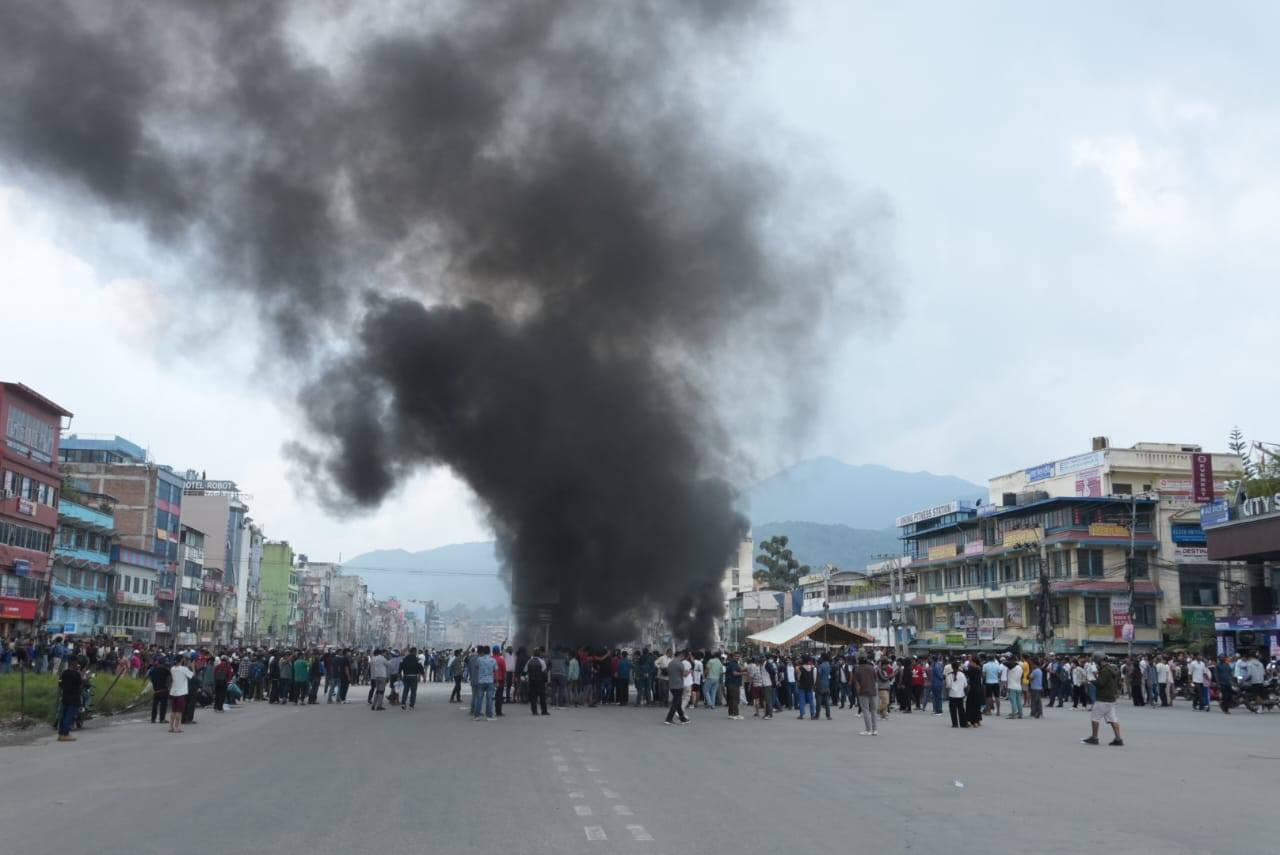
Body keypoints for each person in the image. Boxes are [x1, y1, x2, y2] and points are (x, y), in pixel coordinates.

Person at [1081, 652, 1123, 746]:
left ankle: (1094, 737)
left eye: (1096, 662)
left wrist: (1091, 681)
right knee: (1113, 719)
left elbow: (1100, 683)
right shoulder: (1111, 668)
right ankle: (1118, 738)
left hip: (1103, 698)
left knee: (1095, 718)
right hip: (1111, 698)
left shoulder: (1104, 670)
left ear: (1099, 661)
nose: (1096, 664)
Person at [56, 659, 84, 742]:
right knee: (69, 716)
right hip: (74, 698)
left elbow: (60, 682)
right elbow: (80, 683)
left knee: (63, 716)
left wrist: (64, 687)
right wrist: (80, 675)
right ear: (73, 665)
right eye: (77, 665)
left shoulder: (64, 673)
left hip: (65, 697)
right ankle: (66, 734)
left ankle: (61, 734)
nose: (77, 666)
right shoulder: (76, 674)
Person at [168, 655, 194, 733]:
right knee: (179, 711)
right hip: (181, 693)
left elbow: (181, 671)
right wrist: (192, 666)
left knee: (173, 711)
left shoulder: (172, 668)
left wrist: (186, 666)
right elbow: (192, 675)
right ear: (181, 660)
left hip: (173, 692)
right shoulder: (184, 669)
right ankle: (177, 728)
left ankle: (171, 727)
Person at [854, 656, 878, 735]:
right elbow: (875, 679)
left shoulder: (857, 669)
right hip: (873, 691)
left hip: (863, 691)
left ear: (859, 661)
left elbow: (857, 683)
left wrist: (858, 693)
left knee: (866, 710)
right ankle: (875, 730)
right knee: (873, 710)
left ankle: (868, 730)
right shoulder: (872, 668)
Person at [664, 650, 689, 725]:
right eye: (683, 657)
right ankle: (668, 719)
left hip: (671, 685)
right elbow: (684, 674)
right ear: (681, 656)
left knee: (678, 702)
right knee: (676, 703)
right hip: (678, 685)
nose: (683, 658)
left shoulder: (670, 663)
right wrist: (688, 672)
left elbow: (668, 672)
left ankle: (683, 719)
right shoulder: (680, 664)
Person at [147, 657, 172, 724]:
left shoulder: (152, 671)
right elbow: (170, 679)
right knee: (163, 705)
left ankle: (153, 719)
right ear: (163, 663)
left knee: (154, 705)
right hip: (164, 690)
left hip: (156, 690)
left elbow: (150, 679)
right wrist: (169, 687)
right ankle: (162, 719)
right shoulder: (165, 670)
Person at [525, 647, 548, 715]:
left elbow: (525, 671)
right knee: (542, 696)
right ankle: (544, 711)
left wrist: (526, 679)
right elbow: (544, 672)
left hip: (532, 681)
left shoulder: (529, 661)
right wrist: (545, 681)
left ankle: (534, 711)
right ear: (539, 654)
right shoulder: (542, 661)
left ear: (533, 653)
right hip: (540, 681)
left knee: (533, 696)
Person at [946, 658, 968, 729]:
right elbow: (965, 685)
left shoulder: (949, 675)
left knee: (953, 710)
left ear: (952, 667)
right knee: (961, 709)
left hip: (952, 695)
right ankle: (963, 724)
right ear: (958, 667)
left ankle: (955, 724)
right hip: (960, 694)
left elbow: (948, 685)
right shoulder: (962, 674)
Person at [724, 651, 743, 720]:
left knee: (731, 699)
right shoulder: (733, 664)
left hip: (731, 683)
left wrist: (743, 670)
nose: (737, 657)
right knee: (735, 699)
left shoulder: (733, 663)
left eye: (738, 656)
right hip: (733, 683)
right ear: (733, 657)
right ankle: (736, 714)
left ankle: (731, 714)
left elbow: (737, 671)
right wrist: (744, 673)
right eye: (736, 656)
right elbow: (734, 673)